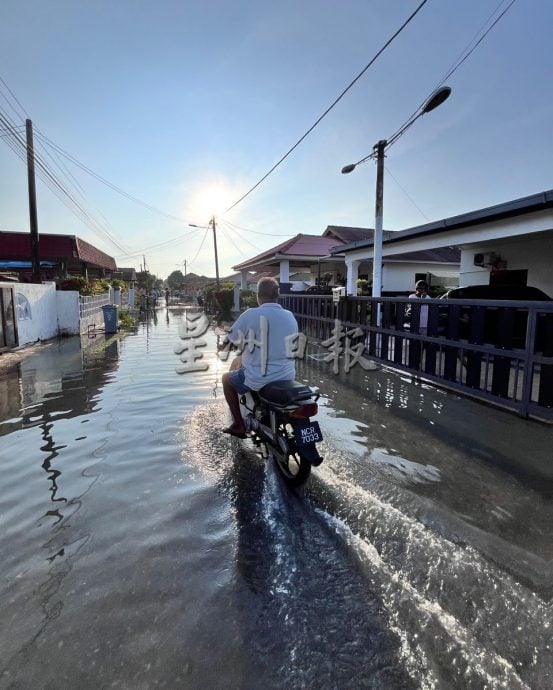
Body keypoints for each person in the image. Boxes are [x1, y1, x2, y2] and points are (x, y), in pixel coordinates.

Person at [221, 277, 298, 438]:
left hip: (258, 377)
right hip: (287, 375)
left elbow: (230, 340)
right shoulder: (289, 315)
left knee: (226, 380)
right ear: (277, 296)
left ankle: (239, 425)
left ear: (258, 295)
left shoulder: (251, 314)